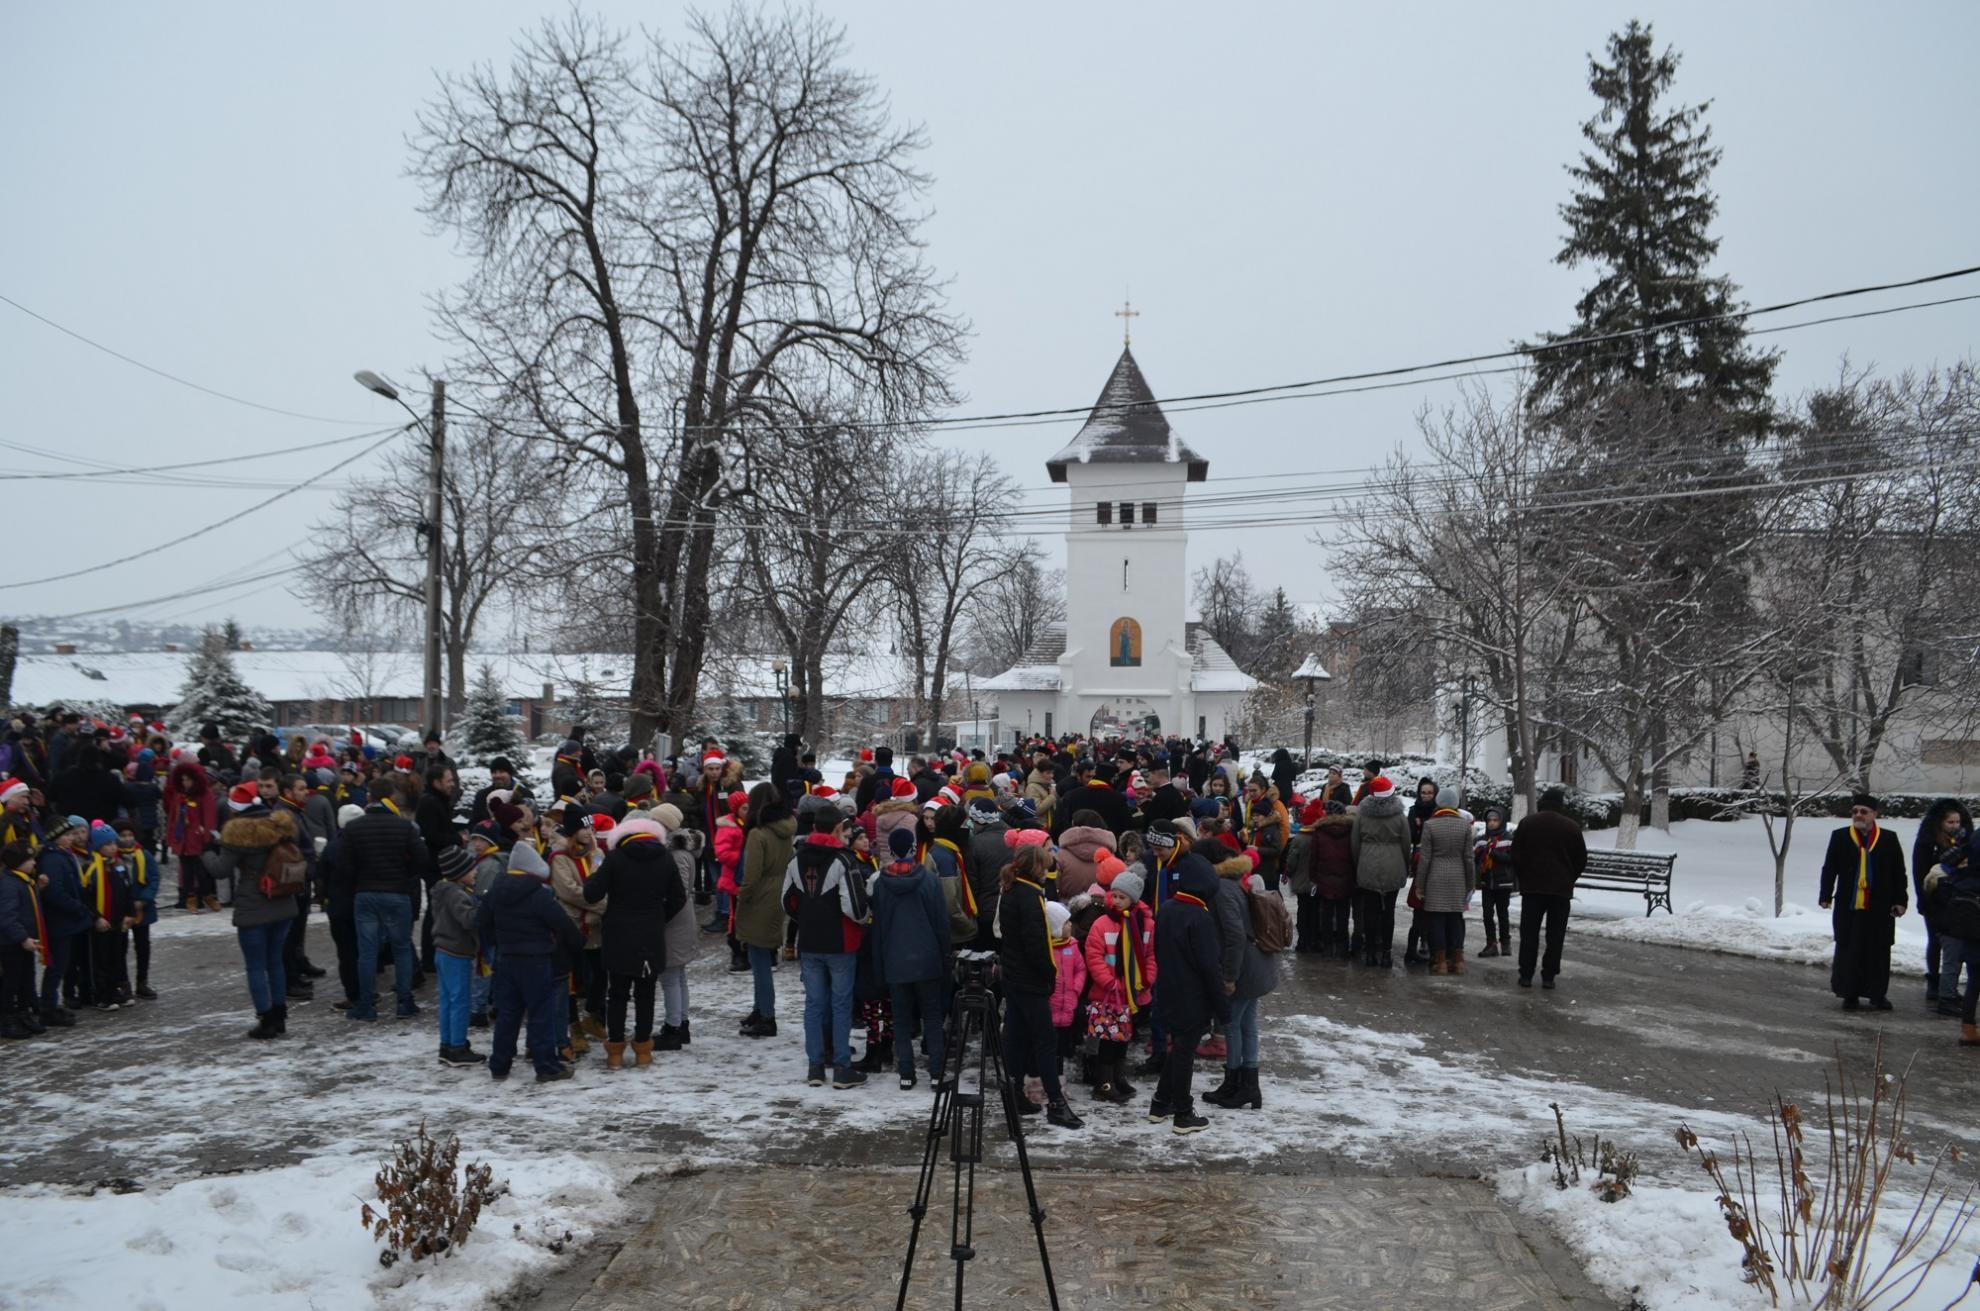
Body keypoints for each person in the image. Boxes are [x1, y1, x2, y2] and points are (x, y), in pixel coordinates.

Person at [583, 815, 687, 1069]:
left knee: (617, 994)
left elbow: (591, 893)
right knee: (646, 993)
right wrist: (659, 916)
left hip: (618, 932)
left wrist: (596, 871)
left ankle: (615, 1052)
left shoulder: (615, 859)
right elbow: (679, 897)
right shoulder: (665, 859)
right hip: (651, 932)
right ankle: (643, 1051)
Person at [1146, 822, 1228, 1134]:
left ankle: (1160, 1104)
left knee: (1178, 1048)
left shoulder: (1167, 909)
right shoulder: (1200, 918)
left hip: (1169, 988)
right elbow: (1209, 967)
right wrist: (1222, 1008)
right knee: (1183, 1053)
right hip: (1191, 995)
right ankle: (1183, 1113)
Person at [204, 781, 303, 1039]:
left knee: (256, 966)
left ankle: (266, 1019)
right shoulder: (280, 825)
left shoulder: (237, 833)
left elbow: (220, 870)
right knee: (275, 961)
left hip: (253, 906)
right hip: (283, 903)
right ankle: (280, 1016)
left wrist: (207, 852)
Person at [480, 842, 585, 1082]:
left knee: (508, 1013)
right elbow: (564, 926)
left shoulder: (495, 891)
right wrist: (576, 944)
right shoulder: (539, 895)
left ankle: (500, 1064)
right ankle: (546, 1066)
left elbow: (482, 922)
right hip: (536, 962)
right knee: (540, 1014)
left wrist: (500, 943)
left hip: (506, 960)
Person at [783, 808, 870, 1089]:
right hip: (840, 942)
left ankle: (816, 1066)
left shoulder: (796, 860)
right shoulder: (842, 861)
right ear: (837, 829)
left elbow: (786, 901)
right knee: (841, 1003)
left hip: (809, 941)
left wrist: (808, 918)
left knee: (814, 1004)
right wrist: (865, 919)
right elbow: (854, 907)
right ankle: (842, 1066)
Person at [997, 843, 1082, 1129]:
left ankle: (1013, 1094)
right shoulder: (1031, 895)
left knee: (1016, 1038)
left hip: (1014, 977)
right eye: (1044, 866)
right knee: (1046, 1042)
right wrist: (1050, 973)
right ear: (1034, 867)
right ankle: (1056, 1103)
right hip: (1031, 980)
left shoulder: (1009, 889)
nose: (1047, 871)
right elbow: (1036, 944)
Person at [869, 827, 952, 1091]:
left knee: (902, 1019)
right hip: (927, 959)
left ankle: (906, 1072)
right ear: (914, 849)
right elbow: (941, 923)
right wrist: (944, 957)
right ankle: (937, 1073)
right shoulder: (929, 880)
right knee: (932, 1017)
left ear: (891, 851)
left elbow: (878, 929)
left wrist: (879, 966)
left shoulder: (881, 884)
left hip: (895, 960)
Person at [342, 779, 429, 1022]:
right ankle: (404, 1002)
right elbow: (422, 859)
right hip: (397, 892)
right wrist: (404, 873)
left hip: (366, 892)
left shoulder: (354, 827)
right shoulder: (405, 827)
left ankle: (366, 1004)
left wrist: (359, 879)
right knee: (401, 949)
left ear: (369, 798)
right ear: (391, 796)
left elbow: (345, 864)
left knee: (367, 952)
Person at [1818, 794, 1907, 1012]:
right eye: (1855, 811)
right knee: (1849, 949)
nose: (1858, 815)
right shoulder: (1840, 837)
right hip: (1849, 906)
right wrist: (1825, 895)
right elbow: (1829, 868)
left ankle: (1877, 995)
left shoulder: (1888, 839)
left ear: (1874, 815)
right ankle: (1849, 994)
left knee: (1877, 951)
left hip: (1879, 907)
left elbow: (1899, 873)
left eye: (1863, 811)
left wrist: (1900, 900)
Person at [1204, 846, 1276, 1111]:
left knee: (1233, 1025)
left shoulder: (1222, 889)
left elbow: (1234, 936)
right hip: (1257, 965)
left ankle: (1236, 1084)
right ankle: (1248, 1086)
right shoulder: (1235, 884)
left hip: (1244, 969)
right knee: (1247, 1025)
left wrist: (1229, 976)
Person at [1082, 866, 1151, 1104]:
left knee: (1124, 1038)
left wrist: (1146, 979)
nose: (1117, 901)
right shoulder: (1102, 924)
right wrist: (1109, 981)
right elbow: (1094, 955)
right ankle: (1105, 1082)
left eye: (1123, 897)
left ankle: (1119, 1077)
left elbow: (1150, 955)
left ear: (1133, 900)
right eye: (1115, 896)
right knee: (1108, 1040)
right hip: (1108, 993)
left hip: (1132, 993)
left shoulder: (1143, 925)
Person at [733, 782, 795, 1038]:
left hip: (760, 898)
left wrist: (741, 898)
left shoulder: (758, 834)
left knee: (759, 961)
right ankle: (760, 1009)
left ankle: (766, 1014)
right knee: (761, 957)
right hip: (778, 893)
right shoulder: (786, 828)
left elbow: (752, 875)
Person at [1511, 787, 1589, 989]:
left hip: (1533, 889)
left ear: (1542, 802)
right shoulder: (1571, 827)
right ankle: (1549, 976)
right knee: (1555, 935)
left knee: (1529, 933)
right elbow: (1581, 859)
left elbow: (1516, 855)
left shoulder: (1527, 823)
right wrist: (1569, 878)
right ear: (1560, 804)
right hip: (1561, 890)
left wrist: (1524, 877)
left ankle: (1526, 974)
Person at [650, 803, 702, 1049]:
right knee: (678, 975)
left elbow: (676, 891)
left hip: (675, 920)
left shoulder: (676, 855)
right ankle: (680, 1023)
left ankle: (673, 1028)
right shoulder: (682, 852)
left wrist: (659, 916)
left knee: (670, 975)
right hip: (682, 917)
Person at [1913, 799, 1972, 1012]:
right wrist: (1923, 899)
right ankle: (1934, 981)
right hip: (1935, 898)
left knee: (1954, 946)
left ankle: (1948, 988)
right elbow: (1920, 871)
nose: (1955, 826)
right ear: (1940, 823)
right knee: (1935, 941)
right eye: (1950, 822)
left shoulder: (1965, 842)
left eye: (1957, 821)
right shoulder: (1928, 842)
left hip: (1957, 900)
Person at [429, 844, 484, 1067]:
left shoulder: (442, 890)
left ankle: (447, 1043)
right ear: (460, 872)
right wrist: (483, 907)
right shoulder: (456, 894)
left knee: (447, 1000)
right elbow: (468, 920)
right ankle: (457, 1047)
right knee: (460, 1000)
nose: (476, 872)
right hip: (457, 952)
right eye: (472, 869)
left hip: (442, 950)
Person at [34, 816, 90, 1026]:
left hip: (65, 919)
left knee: (61, 963)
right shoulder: (52, 859)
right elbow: (54, 891)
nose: (71, 838)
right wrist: (76, 906)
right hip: (60, 920)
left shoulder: (61, 855)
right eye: (67, 835)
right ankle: (48, 1005)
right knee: (57, 964)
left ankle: (50, 1003)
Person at [1350, 776, 1409, 968]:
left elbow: (1355, 843)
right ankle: (1386, 953)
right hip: (1394, 864)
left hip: (1368, 862)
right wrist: (1404, 865)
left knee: (1370, 910)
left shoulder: (1362, 815)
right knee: (1388, 911)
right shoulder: (1400, 816)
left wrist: (1359, 864)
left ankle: (1369, 953)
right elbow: (1406, 844)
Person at [1412, 789, 1472, 975]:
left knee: (1436, 919)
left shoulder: (1430, 825)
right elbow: (1469, 858)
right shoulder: (1464, 826)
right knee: (1456, 918)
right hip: (1458, 877)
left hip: (1435, 877)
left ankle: (1440, 962)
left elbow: (1425, 859)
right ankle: (1458, 961)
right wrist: (1470, 884)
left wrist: (1419, 884)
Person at [1290, 799, 1354, 957]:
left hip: (1324, 879)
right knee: (1342, 916)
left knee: (1325, 914)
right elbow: (1354, 855)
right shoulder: (1351, 831)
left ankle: (1326, 947)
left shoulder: (1320, 831)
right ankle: (1343, 948)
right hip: (1344, 879)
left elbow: (1314, 859)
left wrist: (1314, 878)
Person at [0, 842, 44, 1039]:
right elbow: (7, 916)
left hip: (26, 941)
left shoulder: (24, 881)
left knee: (27, 979)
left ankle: (23, 1014)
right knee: (11, 982)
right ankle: (7, 1019)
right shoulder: (9, 884)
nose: (34, 863)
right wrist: (22, 937)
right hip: (11, 943)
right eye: (29, 860)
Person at [1474, 807, 1517, 959]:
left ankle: (1505, 942)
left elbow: (1513, 859)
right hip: (1487, 882)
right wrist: (1480, 854)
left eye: (1495, 820)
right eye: (1489, 820)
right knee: (1487, 914)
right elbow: (1474, 858)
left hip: (1503, 881)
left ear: (1501, 821)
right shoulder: (1481, 839)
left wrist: (1494, 853)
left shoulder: (1509, 838)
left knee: (1502, 914)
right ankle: (1491, 943)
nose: (1492, 823)